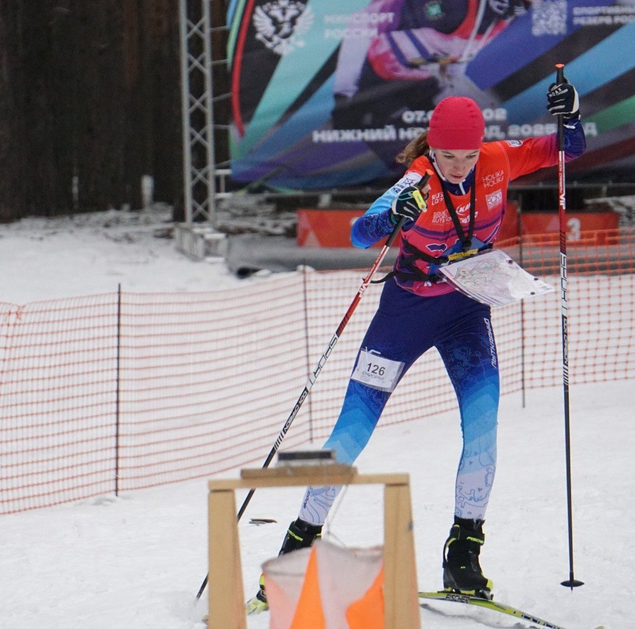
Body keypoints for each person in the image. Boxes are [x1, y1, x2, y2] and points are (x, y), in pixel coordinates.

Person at [247, 80, 585, 614]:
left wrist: (572, 116)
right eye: (447, 154)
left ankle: (464, 552)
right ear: (432, 148)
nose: (458, 165)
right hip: (404, 316)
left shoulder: (497, 160)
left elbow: (565, 148)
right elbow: (362, 233)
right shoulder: (419, 178)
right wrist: (393, 214)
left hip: (467, 311)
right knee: (351, 430)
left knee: (484, 424)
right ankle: (298, 547)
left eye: (467, 155)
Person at [332, 0, 566, 132]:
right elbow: (364, 21)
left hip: (419, 87)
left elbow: (455, 58)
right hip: (375, 87)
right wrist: (345, 95)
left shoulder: (506, 6)